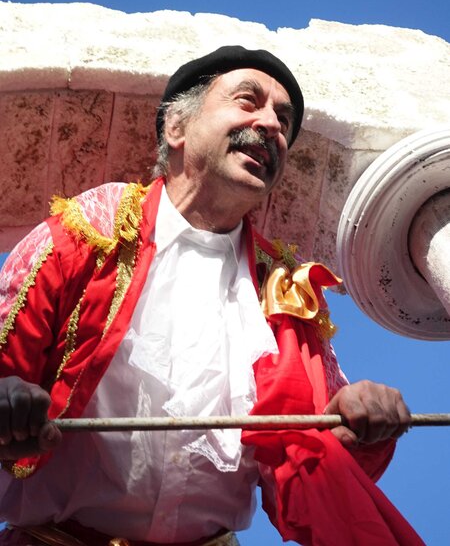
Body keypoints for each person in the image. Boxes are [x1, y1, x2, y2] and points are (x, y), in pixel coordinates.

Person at [0, 46, 422, 546]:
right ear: (176, 127)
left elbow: (318, 463)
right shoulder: (92, 228)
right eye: (248, 101)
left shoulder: (285, 287)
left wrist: (360, 416)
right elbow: (7, 367)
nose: (272, 125)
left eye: (284, 120)